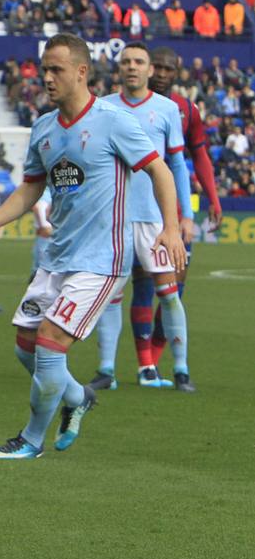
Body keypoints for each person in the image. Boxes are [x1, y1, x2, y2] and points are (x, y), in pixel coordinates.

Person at [0, 34, 186, 460]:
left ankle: (30, 440)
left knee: (49, 342)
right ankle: (78, 396)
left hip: (102, 261)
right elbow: (30, 189)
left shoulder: (113, 120)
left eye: (56, 70)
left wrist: (171, 228)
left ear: (81, 72)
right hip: (58, 257)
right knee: (25, 347)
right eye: (43, 69)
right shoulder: (45, 128)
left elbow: (160, 170)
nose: (46, 77)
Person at [89, 43, 195, 392]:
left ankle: (180, 371)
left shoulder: (166, 110)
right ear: (119, 69)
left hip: (154, 220)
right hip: (114, 219)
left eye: (138, 62)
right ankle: (106, 369)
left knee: (168, 294)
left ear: (150, 70)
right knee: (110, 295)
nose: (131, 67)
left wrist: (185, 216)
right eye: (126, 62)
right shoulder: (102, 108)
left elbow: (177, 165)